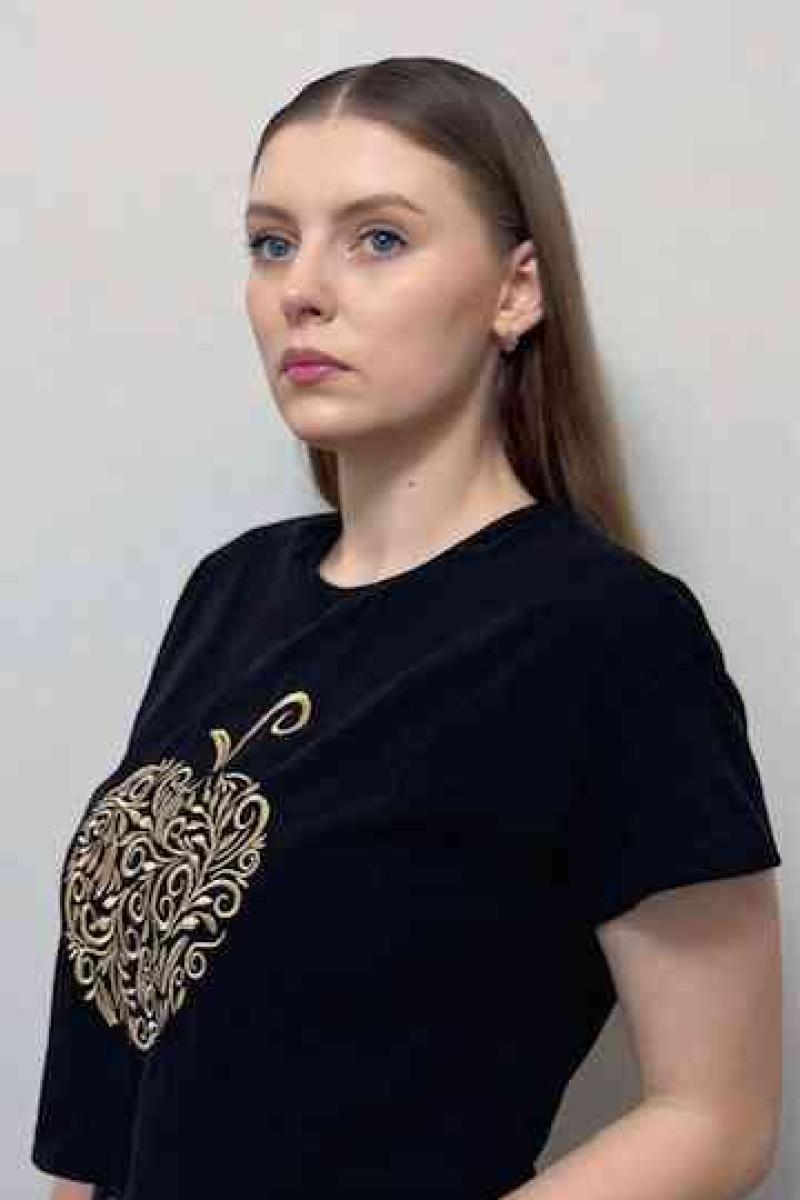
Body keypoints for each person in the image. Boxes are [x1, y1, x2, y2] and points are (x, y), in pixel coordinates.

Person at [31, 56, 782, 1200]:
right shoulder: (230, 592)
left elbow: (713, 1115)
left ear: (514, 291)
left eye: (377, 238)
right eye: (271, 243)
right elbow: (117, 1074)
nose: (301, 290)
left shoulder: (606, 635)